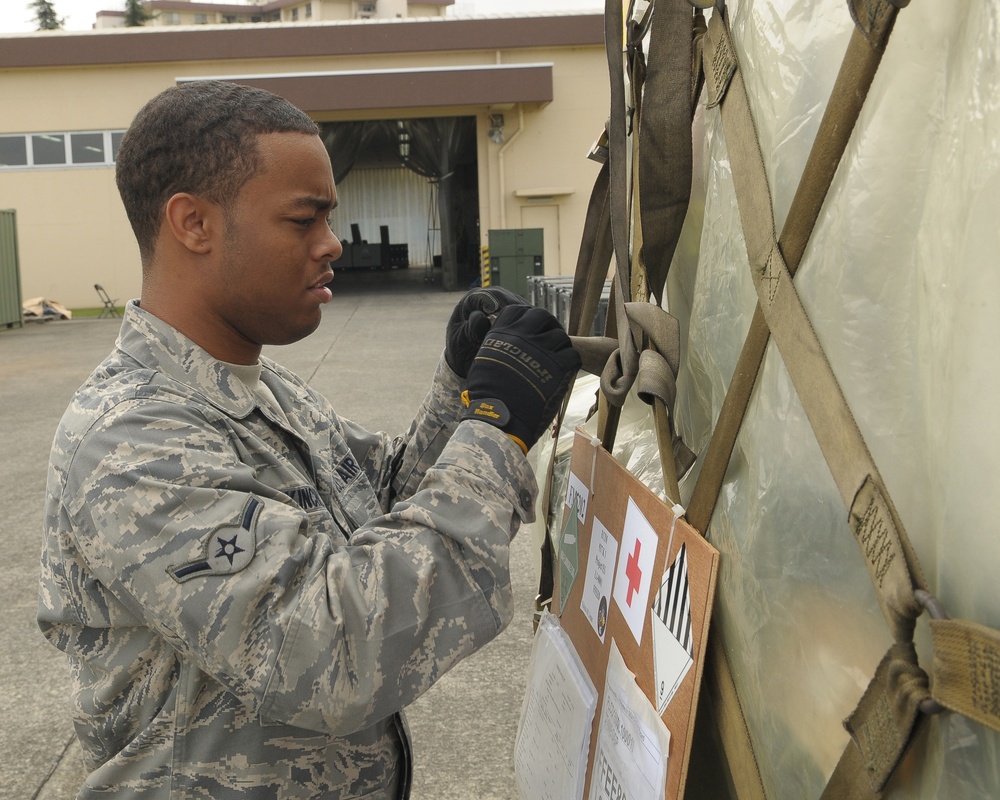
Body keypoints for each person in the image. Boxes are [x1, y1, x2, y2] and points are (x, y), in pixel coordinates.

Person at [38, 80, 579, 799]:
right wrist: (495, 437)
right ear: (193, 223)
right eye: (304, 220)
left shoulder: (260, 387)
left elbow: (379, 507)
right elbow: (326, 651)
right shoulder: (131, 440)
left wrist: (461, 392)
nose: (333, 244)